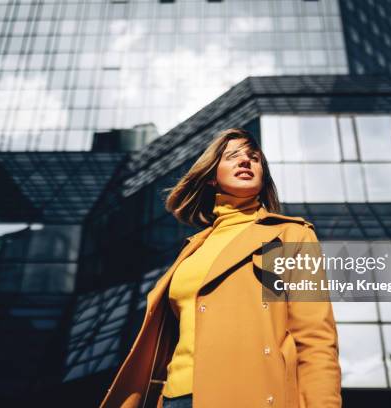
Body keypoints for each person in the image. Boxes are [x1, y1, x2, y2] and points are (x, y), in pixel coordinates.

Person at [99, 128, 341, 408]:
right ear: (212, 176)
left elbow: (314, 339)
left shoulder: (286, 236)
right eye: (232, 157)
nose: (245, 162)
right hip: (175, 398)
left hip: (251, 396)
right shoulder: (193, 248)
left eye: (254, 158)